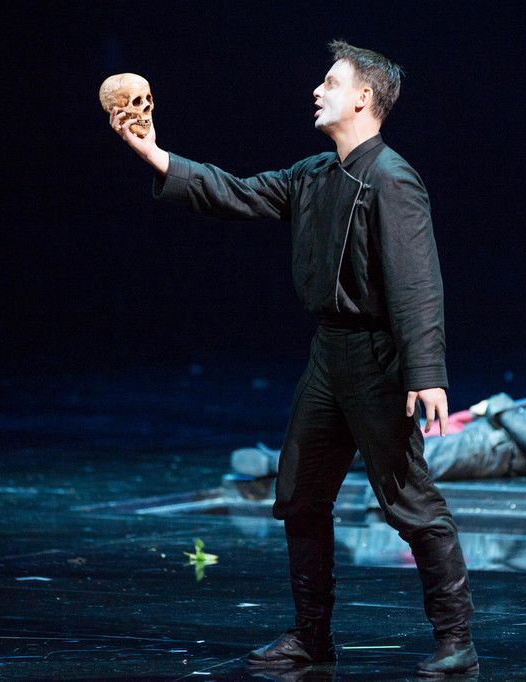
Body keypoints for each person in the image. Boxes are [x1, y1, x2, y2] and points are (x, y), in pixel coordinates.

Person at [109, 41, 476, 676]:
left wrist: (426, 373)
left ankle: (456, 640)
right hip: (329, 355)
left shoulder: (392, 179)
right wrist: (153, 153)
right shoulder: (314, 174)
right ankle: (312, 637)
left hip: (378, 359)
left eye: (331, 82)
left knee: (408, 500)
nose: (317, 90)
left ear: (363, 98)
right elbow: (235, 193)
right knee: (300, 496)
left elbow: (418, 281)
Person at [232, 382, 526, 483]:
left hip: (489, 450)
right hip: (484, 434)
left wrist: (503, 408)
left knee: (394, 457)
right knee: (382, 441)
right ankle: (285, 461)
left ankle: (285, 466)